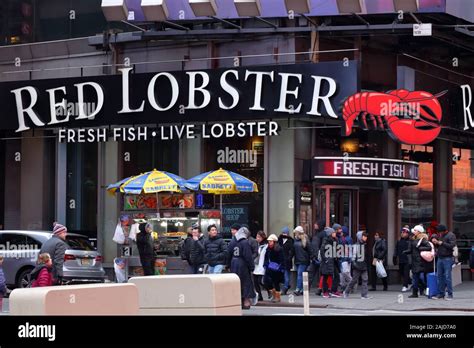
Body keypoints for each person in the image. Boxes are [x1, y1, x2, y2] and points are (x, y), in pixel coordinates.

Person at [228, 227, 256, 309]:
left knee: (236, 283)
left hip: (233, 263)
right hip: (242, 264)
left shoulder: (232, 241)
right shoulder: (244, 242)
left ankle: (237, 302)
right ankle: (246, 302)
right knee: (246, 283)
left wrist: (228, 265)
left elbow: (228, 253)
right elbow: (248, 256)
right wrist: (251, 266)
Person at [403, 225, 432, 298]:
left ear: (419, 231)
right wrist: (406, 252)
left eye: (415, 230)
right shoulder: (413, 239)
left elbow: (429, 247)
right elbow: (411, 250)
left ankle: (426, 290)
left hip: (421, 261)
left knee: (421, 278)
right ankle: (415, 293)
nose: (414, 232)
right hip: (415, 261)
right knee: (415, 278)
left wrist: (420, 248)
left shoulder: (423, 239)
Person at [431, 224, 457, 300]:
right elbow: (440, 245)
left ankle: (450, 294)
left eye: (440, 232)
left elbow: (452, 245)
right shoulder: (441, 235)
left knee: (447, 276)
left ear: (444, 231)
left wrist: (441, 243)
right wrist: (436, 243)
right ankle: (441, 294)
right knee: (439, 276)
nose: (439, 233)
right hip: (440, 257)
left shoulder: (451, 235)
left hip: (448, 258)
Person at [343, 231, 371, 299]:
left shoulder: (365, 245)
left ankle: (364, 295)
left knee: (365, 279)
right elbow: (353, 256)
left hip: (364, 266)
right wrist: (354, 264)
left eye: (366, 236)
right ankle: (346, 292)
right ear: (360, 237)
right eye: (364, 236)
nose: (366, 237)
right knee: (354, 280)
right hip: (357, 266)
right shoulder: (356, 246)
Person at [320, 227, 341, 298]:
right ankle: (325, 292)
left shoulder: (334, 240)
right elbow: (322, 251)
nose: (335, 233)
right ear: (330, 234)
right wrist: (325, 259)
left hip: (333, 261)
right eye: (333, 232)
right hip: (327, 261)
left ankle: (333, 291)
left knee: (337, 275)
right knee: (325, 276)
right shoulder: (326, 241)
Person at [292, 226, 313, 296]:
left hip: (304, 260)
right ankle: (302, 289)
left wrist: (312, 257)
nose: (295, 234)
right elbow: (293, 251)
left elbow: (310, 250)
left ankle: (298, 288)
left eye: (296, 233)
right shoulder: (295, 240)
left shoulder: (305, 240)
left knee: (299, 275)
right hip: (297, 260)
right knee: (301, 275)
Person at [263, 234, 284, 303]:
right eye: (268, 241)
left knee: (276, 282)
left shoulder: (279, 249)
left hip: (277, 268)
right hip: (270, 266)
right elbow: (266, 258)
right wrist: (265, 264)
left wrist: (280, 267)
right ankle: (273, 293)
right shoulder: (268, 249)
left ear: (274, 242)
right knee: (266, 280)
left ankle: (277, 297)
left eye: (270, 241)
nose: (269, 243)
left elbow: (282, 259)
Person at [310, 220, 326, 295]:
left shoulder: (323, 234)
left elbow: (323, 246)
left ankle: (320, 289)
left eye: (316, 224)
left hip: (320, 257)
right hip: (314, 257)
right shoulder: (316, 234)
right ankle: (306, 289)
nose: (314, 225)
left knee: (322, 274)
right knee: (311, 273)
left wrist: (320, 255)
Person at [393, 226, 412, 292]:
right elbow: (396, 249)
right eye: (401, 232)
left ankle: (405, 286)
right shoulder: (399, 241)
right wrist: (394, 257)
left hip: (407, 259)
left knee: (406, 273)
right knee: (401, 272)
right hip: (401, 259)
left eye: (404, 233)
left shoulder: (410, 241)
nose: (402, 234)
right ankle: (409, 282)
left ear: (407, 234)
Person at [278, 226, 294, 295]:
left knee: (286, 274)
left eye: (285, 233)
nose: (284, 234)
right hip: (281, 261)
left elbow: (291, 252)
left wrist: (288, 258)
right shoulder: (280, 241)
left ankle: (285, 287)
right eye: (283, 233)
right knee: (283, 275)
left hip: (287, 261)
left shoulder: (290, 241)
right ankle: (286, 285)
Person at [253, 231, 268, 302]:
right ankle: (259, 296)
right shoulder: (257, 245)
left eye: (259, 237)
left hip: (262, 266)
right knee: (255, 281)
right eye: (256, 237)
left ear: (263, 237)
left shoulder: (266, 245)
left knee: (261, 281)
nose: (257, 239)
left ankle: (270, 290)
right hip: (257, 265)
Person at [338, 226, 353, 290]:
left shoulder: (348, 239)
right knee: (342, 274)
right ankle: (343, 286)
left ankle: (351, 284)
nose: (340, 232)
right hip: (341, 258)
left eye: (341, 231)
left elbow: (350, 249)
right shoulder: (341, 238)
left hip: (346, 258)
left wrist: (349, 258)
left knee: (345, 272)